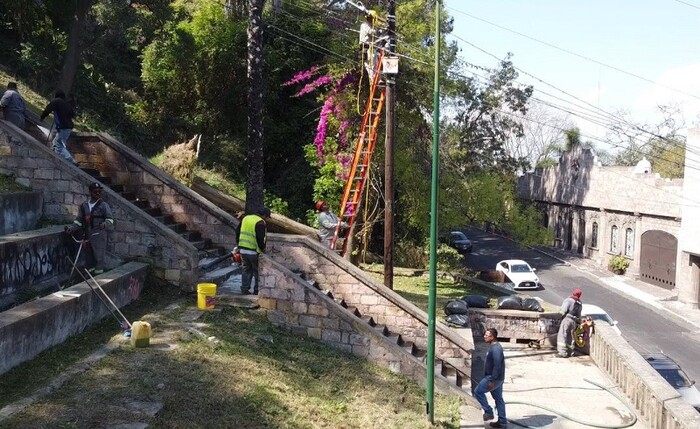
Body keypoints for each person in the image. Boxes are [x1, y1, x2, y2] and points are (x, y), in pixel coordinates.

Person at [68, 182, 114, 274]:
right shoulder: (84, 206)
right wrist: (71, 228)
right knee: (89, 258)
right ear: (90, 192)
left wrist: (104, 224)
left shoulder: (103, 205)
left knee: (99, 257)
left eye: (99, 192)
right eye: (95, 192)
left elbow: (110, 219)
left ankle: (98, 277)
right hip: (87, 236)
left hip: (98, 235)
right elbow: (79, 221)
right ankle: (90, 275)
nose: (98, 194)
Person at [474, 327, 507, 428]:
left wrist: (492, 380)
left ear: (492, 337)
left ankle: (488, 412)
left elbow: (498, 365)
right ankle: (502, 422)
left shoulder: (496, 349)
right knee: (499, 399)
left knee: (478, 392)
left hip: (493, 378)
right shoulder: (493, 346)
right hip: (498, 377)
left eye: (487, 335)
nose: (484, 336)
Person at [235, 207, 271, 295]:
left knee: (246, 270)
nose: (266, 219)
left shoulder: (246, 218)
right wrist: (262, 248)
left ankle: (244, 289)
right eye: (266, 217)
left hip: (243, 250)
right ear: (264, 215)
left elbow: (237, 231)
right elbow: (260, 238)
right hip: (253, 251)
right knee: (257, 271)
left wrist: (239, 244)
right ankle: (257, 290)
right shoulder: (260, 222)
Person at [40, 89, 78, 166]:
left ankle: (70, 160)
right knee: (56, 142)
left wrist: (42, 117)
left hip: (63, 126)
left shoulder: (56, 101)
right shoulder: (66, 104)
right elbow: (72, 114)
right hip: (68, 126)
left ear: (56, 96)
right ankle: (55, 158)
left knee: (59, 144)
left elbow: (48, 109)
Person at [557, 288, 583, 358]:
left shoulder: (568, 300)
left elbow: (563, 311)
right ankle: (570, 352)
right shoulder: (579, 303)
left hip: (567, 320)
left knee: (562, 335)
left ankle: (562, 352)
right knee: (570, 337)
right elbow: (579, 315)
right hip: (574, 322)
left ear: (573, 293)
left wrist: (560, 317)